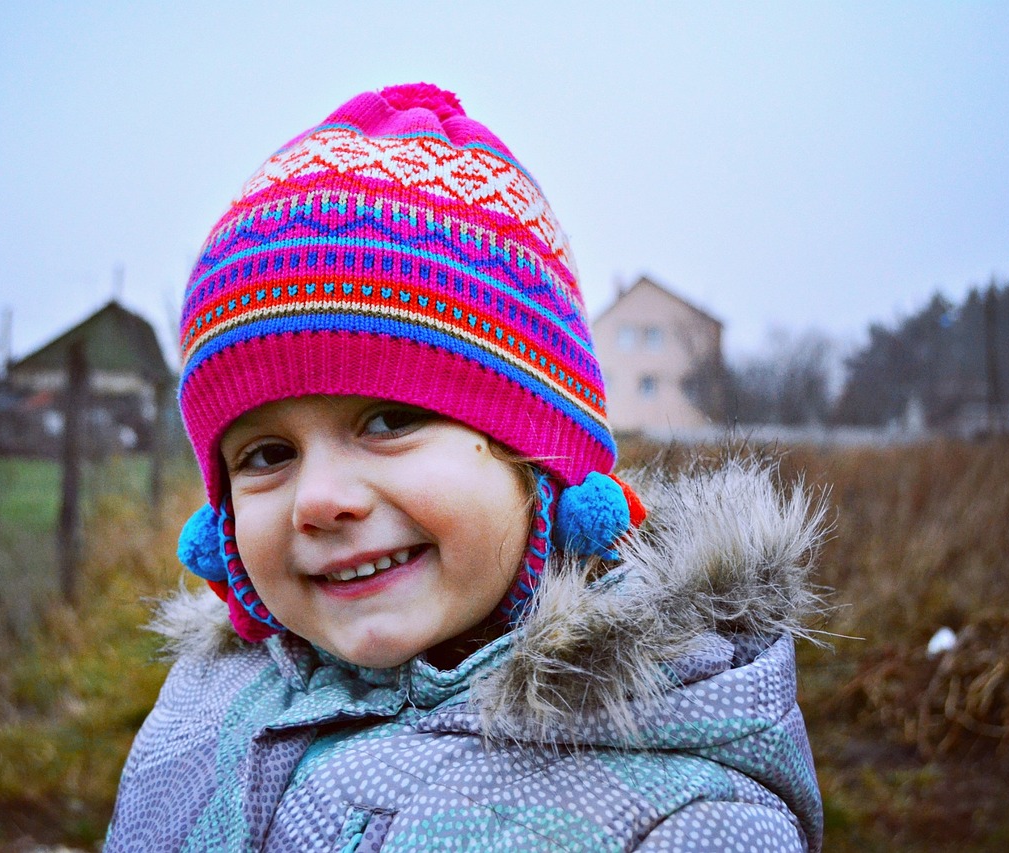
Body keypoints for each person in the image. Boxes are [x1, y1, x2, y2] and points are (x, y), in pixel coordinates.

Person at [106, 82, 824, 852]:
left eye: (388, 421)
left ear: (542, 464)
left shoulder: (687, 811)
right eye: (267, 454)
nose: (317, 499)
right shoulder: (206, 704)